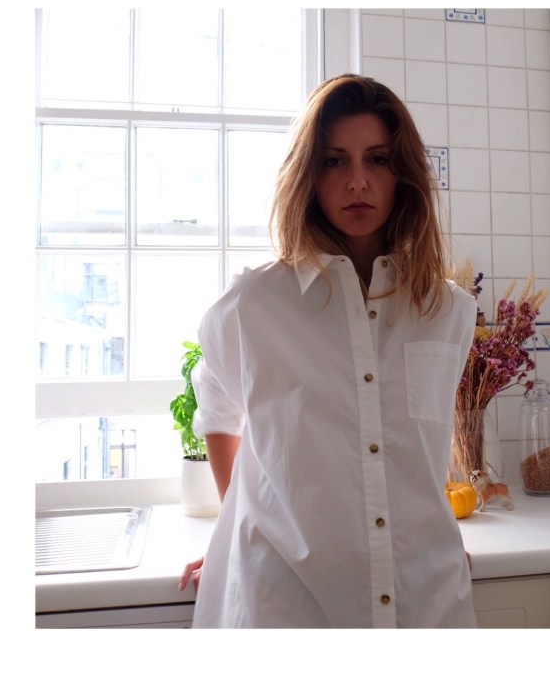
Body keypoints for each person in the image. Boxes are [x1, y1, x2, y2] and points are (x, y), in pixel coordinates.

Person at [177, 74, 478, 628]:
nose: (358, 181)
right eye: (335, 161)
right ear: (308, 175)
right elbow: (218, 413)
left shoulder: (448, 310)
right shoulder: (254, 304)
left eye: (378, 160)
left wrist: (430, 540)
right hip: (288, 603)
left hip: (426, 595)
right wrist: (229, 532)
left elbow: (415, 450)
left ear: (403, 174)